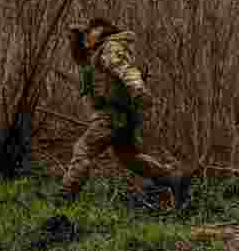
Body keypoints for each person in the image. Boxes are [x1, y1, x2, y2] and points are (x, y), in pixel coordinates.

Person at [58, 17, 192, 210]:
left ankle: (64, 198)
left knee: (83, 150)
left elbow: (125, 69)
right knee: (129, 158)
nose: (88, 35)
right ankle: (173, 178)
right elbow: (84, 60)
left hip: (110, 116)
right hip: (125, 117)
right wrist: (75, 39)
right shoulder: (102, 50)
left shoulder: (111, 47)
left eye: (92, 31)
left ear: (105, 31)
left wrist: (138, 89)